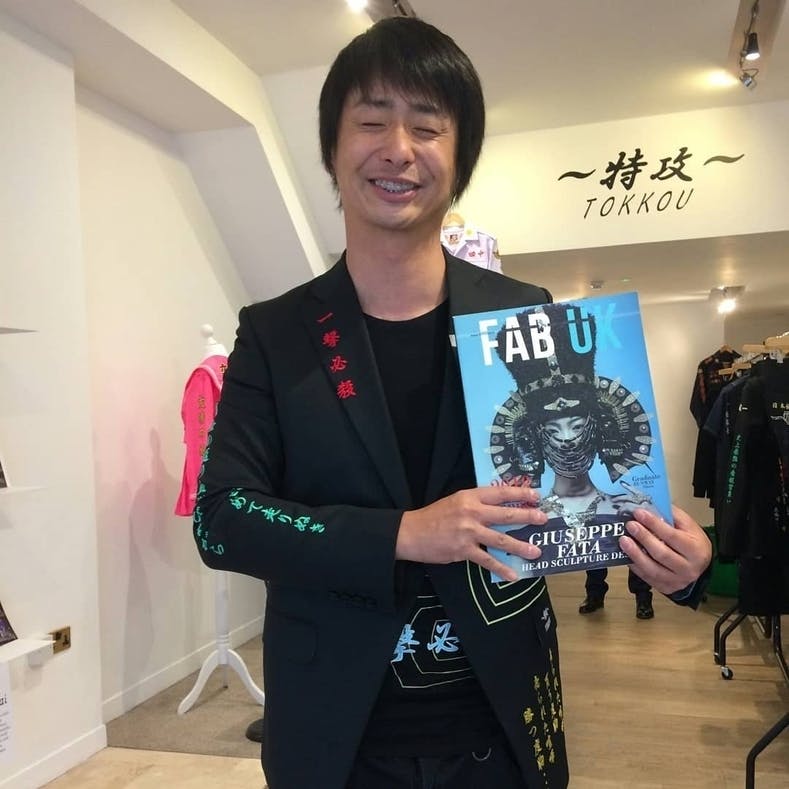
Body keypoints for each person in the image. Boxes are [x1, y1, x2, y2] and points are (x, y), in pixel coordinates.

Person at [192, 17, 712, 789]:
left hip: (499, 726)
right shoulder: (276, 333)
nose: (398, 148)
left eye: (427, 126)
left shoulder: (521, 312)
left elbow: (567, 493)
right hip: (335, 737)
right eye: (372, 121)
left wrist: (676, 560)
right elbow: (221, 519)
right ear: (332, 149)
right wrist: (404, 533)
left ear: (459, 158)